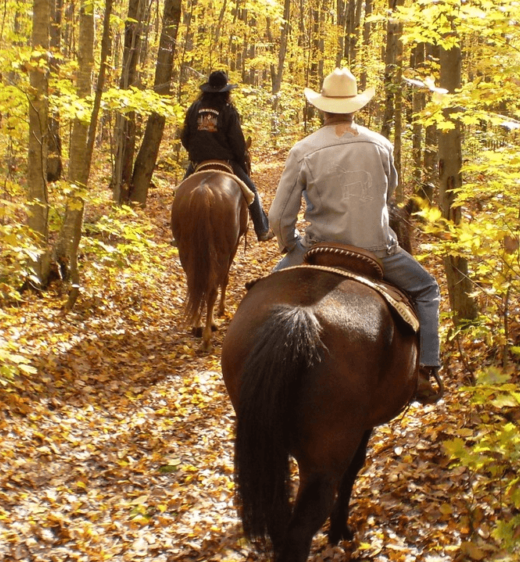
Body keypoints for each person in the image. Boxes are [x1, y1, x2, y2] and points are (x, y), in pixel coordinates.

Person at [267, 68, 443, 403]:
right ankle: (426, 369)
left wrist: (290, 244)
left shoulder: (303, 149)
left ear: (322, 107)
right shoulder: (381, 145)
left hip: (319, 246)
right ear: (355, 107)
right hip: (377, 249)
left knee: (264, 290)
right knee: (427, 289)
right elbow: (388, 194)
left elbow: (278, 216)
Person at [181, 70, 273, 242]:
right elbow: (237, 141)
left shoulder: (194, 108)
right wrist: (240, 158)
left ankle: (176, 232)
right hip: (226, 161)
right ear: (226, 91)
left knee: (180, 194)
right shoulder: (228, 110)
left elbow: (185, 137)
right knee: (251, 191)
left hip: (198, 162)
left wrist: (195, 154)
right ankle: (262, 229)